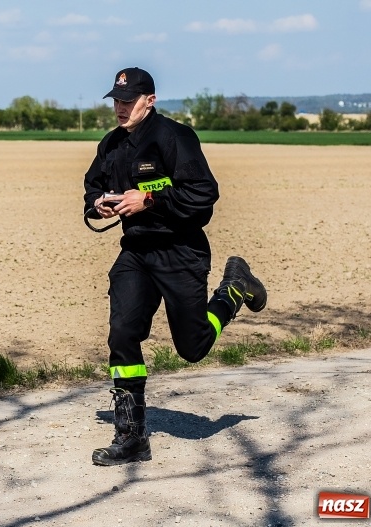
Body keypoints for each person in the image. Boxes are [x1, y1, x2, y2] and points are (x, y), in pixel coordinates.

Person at [83, 67, 267, 466]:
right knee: (123, 332)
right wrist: (98, 203)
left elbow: (203, 194)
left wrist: (147, 200)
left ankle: (234, 288)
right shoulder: (111, 144)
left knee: (193, 346)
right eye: (116, 100)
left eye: (128, 101)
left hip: (180, 251)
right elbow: (92, 186)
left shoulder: (175, 137)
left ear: (150, 100)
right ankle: (131, 437)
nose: (120, 108)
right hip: (135, 253)